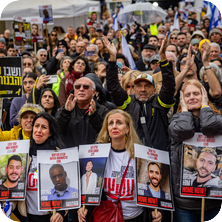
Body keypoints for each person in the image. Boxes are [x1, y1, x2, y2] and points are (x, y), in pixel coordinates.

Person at [77, 109, 163, 222]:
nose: (114, 126)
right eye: (111, 123)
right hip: (108, 216)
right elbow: (90, 189)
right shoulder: (98, 155)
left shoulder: (141, 156)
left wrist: (156, 211)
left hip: (136, 217)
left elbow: (149, 189)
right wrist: (83, 207)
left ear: (127, 129)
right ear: (107, 129)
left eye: (119, 122)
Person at [104, 34, 175, 151]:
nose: (142, 89)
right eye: (139, 86)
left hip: (158, 158)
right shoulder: (128, 102)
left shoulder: (160, 102)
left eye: (147, 86)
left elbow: (169, 86)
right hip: (134, 156)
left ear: (153, 88)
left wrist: (162, 56)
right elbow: (114, 87)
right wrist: (112, 58)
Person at [168, 79, 222, 222]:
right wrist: (184, 111)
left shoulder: (217, 118)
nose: (192, 97)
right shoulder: (175, 121)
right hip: (185, 203)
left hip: (213, 202)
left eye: (196, 93)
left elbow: (209, 126)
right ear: (182, 100)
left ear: (204, 95)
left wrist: (205, 106)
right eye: (187, 95)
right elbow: (185, 130)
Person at [17, 112, 67, 222]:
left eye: (44, 127)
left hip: (52, 218)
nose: (39, 130)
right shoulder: (23, 155)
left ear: (50, 133)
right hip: (28, 217)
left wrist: (61, 212)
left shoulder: (59, 156)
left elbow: (68, 187)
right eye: (36, 126)